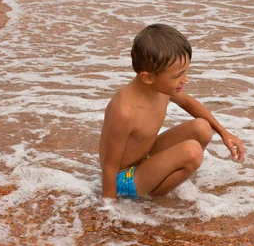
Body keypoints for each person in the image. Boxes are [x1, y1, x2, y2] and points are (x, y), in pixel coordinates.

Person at [99, 24, 245, 199]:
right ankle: (152, 197)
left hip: (144, 157)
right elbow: (109, 166)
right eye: (177, 76)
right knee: (192, 151)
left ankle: (168, 177)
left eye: (185, 72)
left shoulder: (160, 88)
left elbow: (187, 102)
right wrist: (109, 211)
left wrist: (224, 133)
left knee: (202, 128)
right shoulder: (124, 110)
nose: (185, 79)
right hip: (123, 179)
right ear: (148, 77)